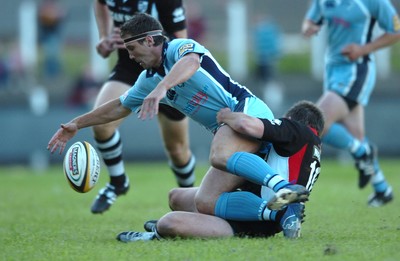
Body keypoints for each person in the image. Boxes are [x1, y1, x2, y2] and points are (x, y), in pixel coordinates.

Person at [47, 13, 309, 231]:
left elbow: (191, 64)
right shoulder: (147, 79)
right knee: (206, 201)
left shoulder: (179, 47)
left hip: (245, 111)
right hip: (226, 131)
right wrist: (77, 124)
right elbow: (118, 107)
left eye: (131, 48)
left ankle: (284, 188)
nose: (130, 56)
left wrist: (162, 88)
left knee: (219, 154)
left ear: (149, 40)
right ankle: (280, 215)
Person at [115, 100, 324, 241]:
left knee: (169, 223)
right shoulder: (312, 151)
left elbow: (247, 124)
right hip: (257, 204)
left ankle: (152, 237)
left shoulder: (295, 129)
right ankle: (280, 210)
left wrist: (226, 116)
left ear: (291, 119)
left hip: (252, 221)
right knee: (176, 197)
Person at [89, 0, 196, 214]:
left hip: (166, 72)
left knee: (177, 150)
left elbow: (182, 43)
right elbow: (100, 4)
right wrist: (104, 36)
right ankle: (118, 182)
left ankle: (190, 198)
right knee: (102, 126)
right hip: (129, 68)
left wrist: (145, 44)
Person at [302, 0, 400, 207]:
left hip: (355, 71)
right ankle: (382, 188)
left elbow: (396, 31)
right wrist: (309, 27)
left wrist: (364, 49)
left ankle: (361, 151)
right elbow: (310, 19)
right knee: (356, 135)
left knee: (316, 122)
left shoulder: (374, 3)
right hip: (332, 71)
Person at [37, 0, 66, 79]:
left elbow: (62, 17)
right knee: (50, 55)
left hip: (53, 36)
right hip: (48, 36)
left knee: (53, 55)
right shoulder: (43, 11)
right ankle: (50, 74)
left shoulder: (55, 10)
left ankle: (53, 74)